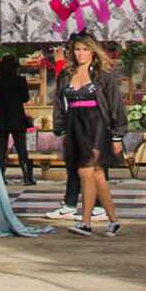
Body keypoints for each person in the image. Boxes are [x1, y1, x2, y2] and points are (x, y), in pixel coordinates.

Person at [52, 37, 125, 235]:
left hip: (97, 125)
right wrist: (61, 129)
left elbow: (116, 105)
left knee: (85, 172)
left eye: (85, 49)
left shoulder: (104, 76)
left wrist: (118, 136)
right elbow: (59, 104)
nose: (80, 53)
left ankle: (85, 222)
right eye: (77, 49)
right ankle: (114, 221)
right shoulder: (66, 75)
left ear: (93, 52)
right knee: (97, 174)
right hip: (74, 126)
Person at [0, 52, 34, 189]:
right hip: (17, 117)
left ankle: (0, 177)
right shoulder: (20, 80)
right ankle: (27, 177)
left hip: (0, 117)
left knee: (1, 149)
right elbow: (25, 98)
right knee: (21, 148)